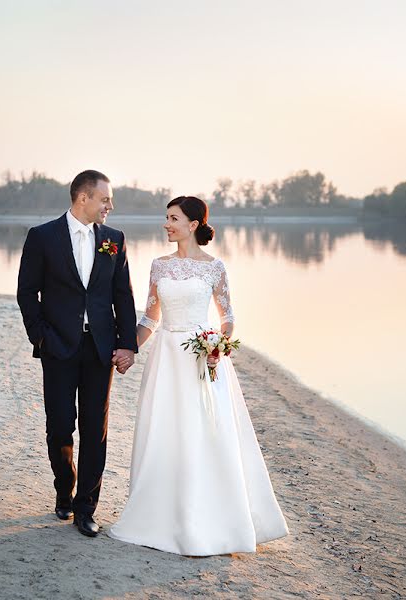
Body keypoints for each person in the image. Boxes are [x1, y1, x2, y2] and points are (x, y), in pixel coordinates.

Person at [109, 196, 288, 555]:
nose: (167, 224)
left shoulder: (215, 268)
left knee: (204, 432)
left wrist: (217, 345)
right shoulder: (159, 266)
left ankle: (213, 518)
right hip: (166, 360)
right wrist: (130, 349)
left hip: (201, 358)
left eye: (173, 218)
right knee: (166, 430)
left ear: (193, 225)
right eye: (166, 218)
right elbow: (150, 318)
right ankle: (161, 514)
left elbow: (228, 316)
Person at [16, 169, 138, 537]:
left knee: (95, 430)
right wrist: (41, 337)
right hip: (58, 347)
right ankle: (63, 489)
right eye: (105, 199)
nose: (110, 206)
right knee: (59, 426)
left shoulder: (114, 240)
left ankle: (86, 507)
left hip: (100, 348)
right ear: (83, 198)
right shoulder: (42, 237)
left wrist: (127, 344)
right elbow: (27, 292)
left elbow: (123, 295)